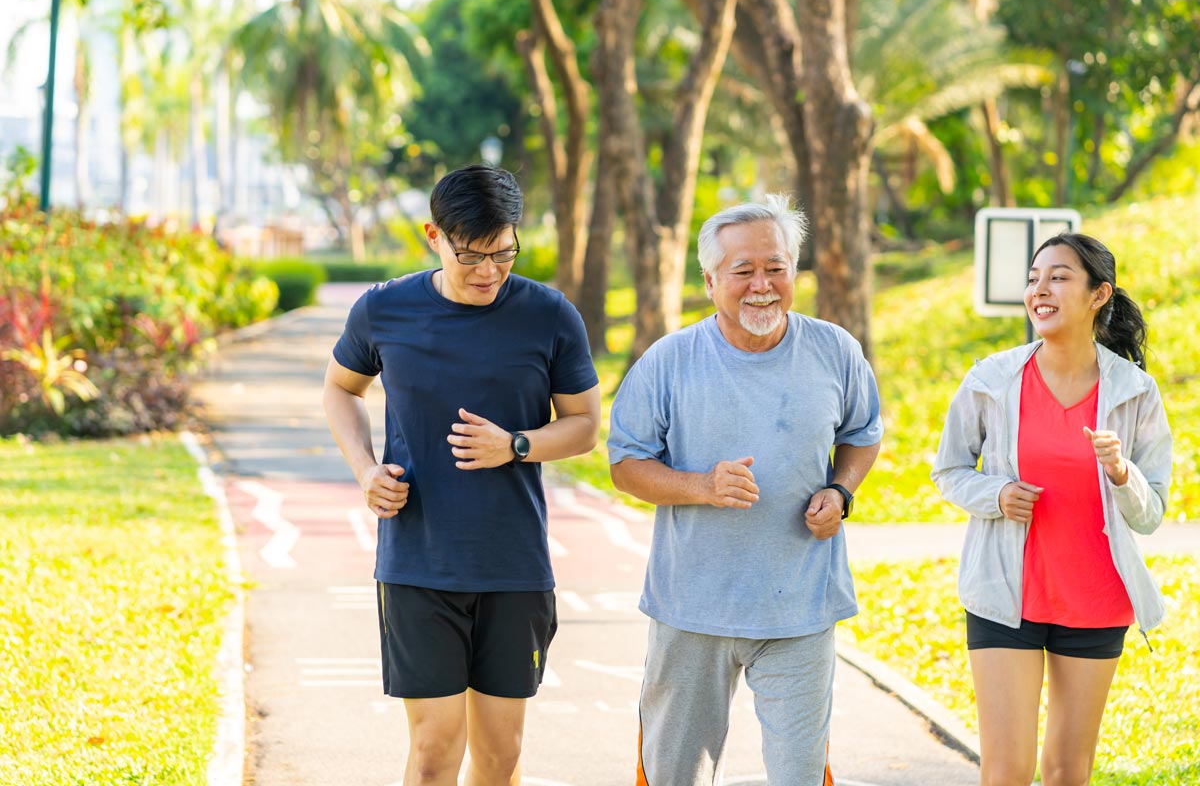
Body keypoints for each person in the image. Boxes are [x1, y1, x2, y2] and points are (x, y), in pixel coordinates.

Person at [323, 164, 601, 786]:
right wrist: (366, 470)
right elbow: (341, 390)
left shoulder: (550, 315)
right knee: (432, 752)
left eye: (504, 253)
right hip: (418, 562)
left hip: (514, 564)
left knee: (500, 756)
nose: (489, 272)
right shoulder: (384, 309)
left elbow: (584, 424)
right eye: (472, 255)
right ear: (433, 236)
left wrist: (518, 444)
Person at [607, 194, 883, 785]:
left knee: (799, 776)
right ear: (710, 280)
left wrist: (840, 493)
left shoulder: (835, 351)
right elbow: (626, 464)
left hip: (800, 608)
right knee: (672, 774)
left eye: (776, 268)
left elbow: (863, 435)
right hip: (691, 609)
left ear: (794, 270)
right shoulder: (669, 361)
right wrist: (701, 485)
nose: (762, 285)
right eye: (743, 271)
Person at [931, 233, 1172, 786]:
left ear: (1098, 295)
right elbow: (948, 469)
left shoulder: (1135, 393)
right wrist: (995, 495)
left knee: (1067, 772)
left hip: (1096, 599)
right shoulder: (992, 379)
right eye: (1035, 278)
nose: (1040, 289)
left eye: (1059, 277)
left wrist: (1121, 473)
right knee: (1007, 770)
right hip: (1004, 596)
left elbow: (1151, 512)